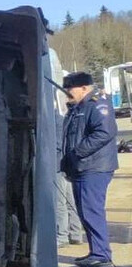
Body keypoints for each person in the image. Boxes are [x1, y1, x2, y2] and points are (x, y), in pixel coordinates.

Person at [61, 71, 119, 267]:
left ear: (85, 88)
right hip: (83, 166)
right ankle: (96, 250)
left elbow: (105, 132)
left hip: (94, 167)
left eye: (71, 88)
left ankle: (101, 253)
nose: (67, 92)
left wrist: (78, 152)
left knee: (91, 210)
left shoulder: (96, 104)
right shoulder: (78, 107)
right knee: (85, 211)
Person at [55, 96, 85, 246]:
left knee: (60, 202)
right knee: (71, 200)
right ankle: (75, 234)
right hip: (68, 163)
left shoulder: (56, 119)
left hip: (58, 164)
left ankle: (62, 236)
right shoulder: (70, 118)